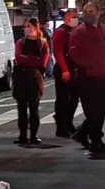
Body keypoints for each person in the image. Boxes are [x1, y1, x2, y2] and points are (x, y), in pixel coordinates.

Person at [69, 2, 105, 155]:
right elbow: (74, 54)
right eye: (86, 11)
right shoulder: (79, 32)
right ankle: (96, 141)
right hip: (88, 78)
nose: (89, 14)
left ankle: (83, 134)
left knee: (102, 109)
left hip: (104, 75)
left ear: (98, 12)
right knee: (93, 112)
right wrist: (90, 65)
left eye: (92, 11)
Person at [12, 18, 50, 146]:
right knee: (21, 109)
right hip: (21, 78)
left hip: (35, 79)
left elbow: (43, 62)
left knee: (34, 109)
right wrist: (34, 59)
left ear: (35, 27)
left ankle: (34, 136)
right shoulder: (20, 42)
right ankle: (22, 135)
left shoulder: (42, 43)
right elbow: (18, 57)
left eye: (29, 26)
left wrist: (27, 59)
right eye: (25, 26)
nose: (26, 29)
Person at [50, 8, 80, 137]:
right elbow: (58, 52)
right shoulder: (61, 32)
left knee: (74, 99)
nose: (75, 19)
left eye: (76, 17)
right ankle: (61, 127)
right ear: (66, 18)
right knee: (63, 99)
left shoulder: (76, 31)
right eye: (73, 17)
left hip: (75, 69)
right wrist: (64, 70)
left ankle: (68, 123)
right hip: (64, 69)